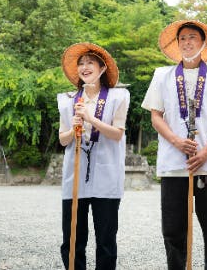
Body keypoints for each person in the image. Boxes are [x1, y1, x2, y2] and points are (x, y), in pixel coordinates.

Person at [141, 20, 207, 270]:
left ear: (203, 43)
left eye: (193, 37)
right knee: (173, 231)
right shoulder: (162, 75)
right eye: (183, 38)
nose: (187, 42)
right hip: (174, 164)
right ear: (177, 44)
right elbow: (156, 116)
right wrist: (176, 140)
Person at [57, 43, 130, 270]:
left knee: (106, 240)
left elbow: (117, 134)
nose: (84, 67)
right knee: (73, 238)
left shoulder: (118, 97)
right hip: (75, 174)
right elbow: (63, 139)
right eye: (81, 63)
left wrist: (91, 119)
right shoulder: (68, 99)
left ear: (102, 68)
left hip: (107, 174)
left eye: (90, 62)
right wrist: (74, 129)